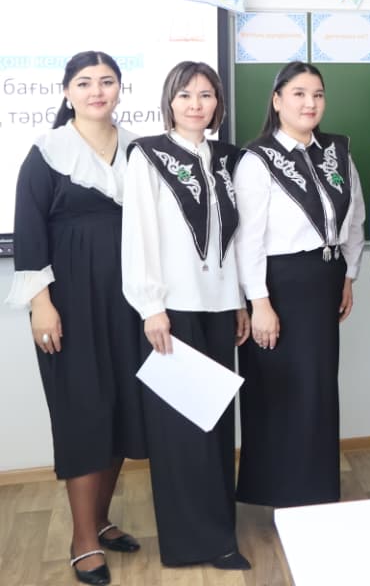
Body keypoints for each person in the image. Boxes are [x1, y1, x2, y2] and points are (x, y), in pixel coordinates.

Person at [6, 51, 146, 585]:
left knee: (122, 409)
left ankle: (102, 520)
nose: (96, 91)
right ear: (67, 91)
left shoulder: (138, 149)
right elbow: (29, 233)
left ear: (120, 89)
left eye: (106, 81)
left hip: (130, 301)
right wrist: (41, 304)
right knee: (83, 413)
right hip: (69, 303)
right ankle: (82, 538)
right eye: (84, 82)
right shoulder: (46, 153)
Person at [120, 62, 251, 570]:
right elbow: (140, 235)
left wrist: (237, 300)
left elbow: (233, 240)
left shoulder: (227, 158)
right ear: (169, 102)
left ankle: (220, 534)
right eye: (185, 95)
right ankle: (192, 543)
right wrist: (151, 307)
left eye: (206, 95)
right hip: (172, 310)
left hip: (219, 307)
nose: (196, 105)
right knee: (181, 433)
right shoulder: (148, 155)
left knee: (216, 427)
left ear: (218, 102)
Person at [233, 62, 366, 507]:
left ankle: (316, 493)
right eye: (299, 94)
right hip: (279, 286)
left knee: (318, 391)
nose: (310, 103)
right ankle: (279, 494)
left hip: (325, 281)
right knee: (280, 390)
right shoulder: (257, 159)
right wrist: (259, 303)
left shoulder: (337, 150)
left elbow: (355, 219)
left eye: (318, 95)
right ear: (277, 101)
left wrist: (348, 274)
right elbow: (248, 239)